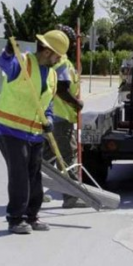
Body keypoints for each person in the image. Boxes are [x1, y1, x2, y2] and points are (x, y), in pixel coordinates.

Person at [0, 30, 69, 234]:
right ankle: (15, 219)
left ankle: (32, 216)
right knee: (20, 175)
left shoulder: (51, 73)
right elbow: (4, 63)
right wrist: (8, 52)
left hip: (34, 133)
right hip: (10, 130)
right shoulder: (23, 63)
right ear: (47, 51)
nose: (59, 59)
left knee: (35, 176)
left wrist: (49, 119)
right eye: (57, 55)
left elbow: (48, 103)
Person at [43, 24, 85, 208]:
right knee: (67, 157)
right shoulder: (63, 62)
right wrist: (77, 104)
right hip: (61, 117)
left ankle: (34, 190)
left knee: (43, 157)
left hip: (47, 116)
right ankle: (72, 197)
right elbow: (62, 88)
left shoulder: (52, 61)